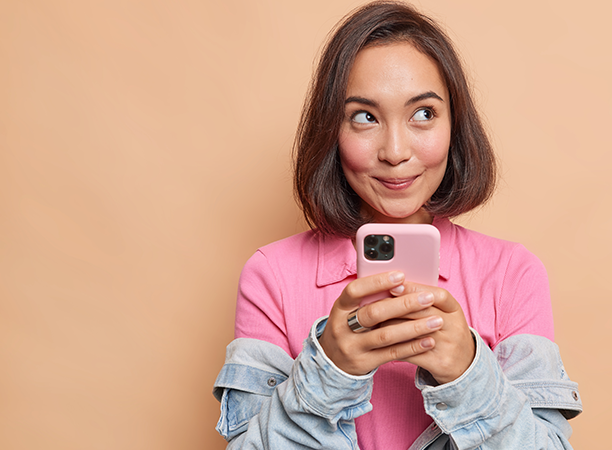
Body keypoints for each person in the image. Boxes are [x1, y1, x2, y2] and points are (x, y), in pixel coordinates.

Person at [213, 2, 582, 449]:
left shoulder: (512, 274)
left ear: (454, 125)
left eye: (423, 113)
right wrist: (327, 375)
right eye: (364, 117)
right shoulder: (271, 275)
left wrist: (469, 374)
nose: (394, 150)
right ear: (332, 130)